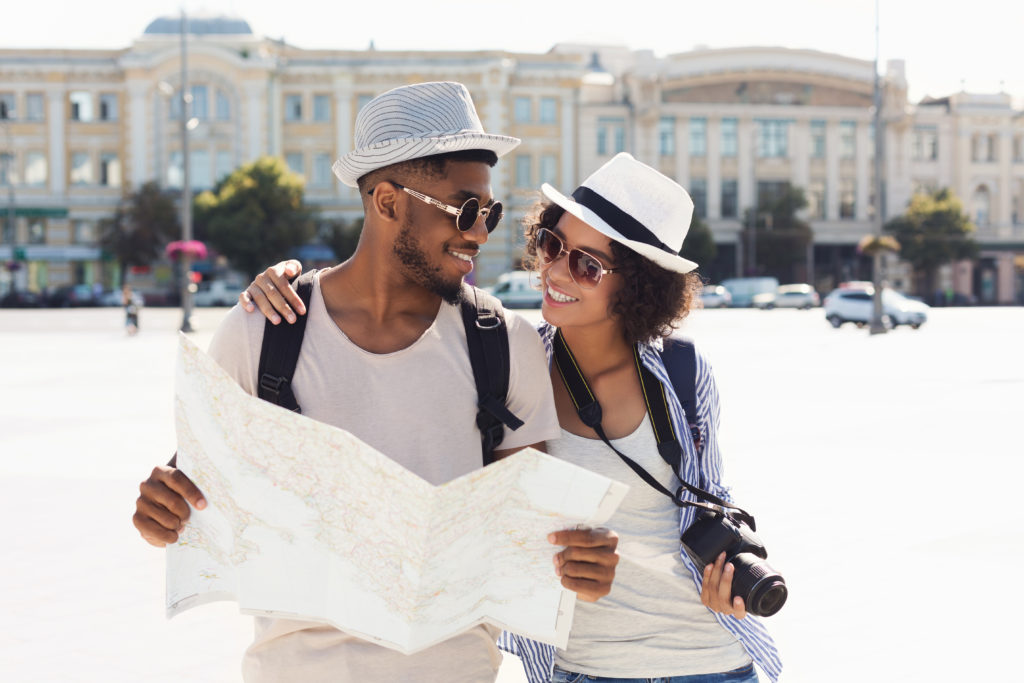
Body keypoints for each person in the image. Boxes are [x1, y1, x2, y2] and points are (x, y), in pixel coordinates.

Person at [131, 81, 620, 683]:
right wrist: (164, 510)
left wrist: (580, 564)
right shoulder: (264, 332)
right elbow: (197, 487)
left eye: (488, 213)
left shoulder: (502, 341)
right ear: (388, 201)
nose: (481, 233)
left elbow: (528, 537)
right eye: (466, 209)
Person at [248, 153, 783, 683]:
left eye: (586, 264)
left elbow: (709, 496)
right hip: (579, 669)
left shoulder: (683, 372)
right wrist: (293, 287)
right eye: (554, 245)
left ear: (638, 285)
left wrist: (730, 576)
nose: (554, 270)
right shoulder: (506, 360)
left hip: (710, 663)